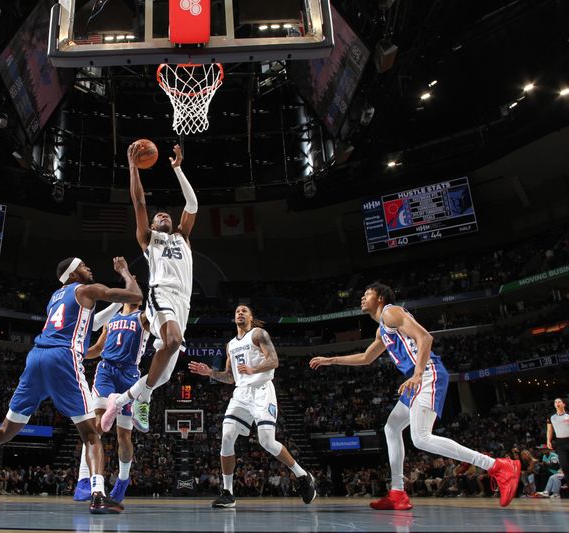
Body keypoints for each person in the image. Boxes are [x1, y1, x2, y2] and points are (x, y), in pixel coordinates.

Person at [0, 257, 141, 514]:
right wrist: (125, 272)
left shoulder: (56, 298)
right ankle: (98, 494)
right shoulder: (85, 289)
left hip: (36, 358)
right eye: (83, 266)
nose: (89, 268)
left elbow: (90, 322)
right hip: (62, 358)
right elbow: (134, 294)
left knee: (5, 430)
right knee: (91, 434)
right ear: (72, 274)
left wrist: (113, 307)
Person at [310, 282, 520, 509]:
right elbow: (366, 357)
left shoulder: (392, 312)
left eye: (367, 293)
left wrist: (418, 374)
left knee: (420, 438)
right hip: (416, 377)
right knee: (391, 428)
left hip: (427, 373)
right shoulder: (382, 329)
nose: (362, 297)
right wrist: (330, 360)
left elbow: (425, 338)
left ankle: (498, 466)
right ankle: (398, 492)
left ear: (380, 298)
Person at [101, 142, 197, 433]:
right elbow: (140, 203)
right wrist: (132, 168)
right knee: (173, 340)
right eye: (160, 217)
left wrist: (178, 169)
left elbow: (192, 205)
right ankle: (140, 397)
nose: (164, 216)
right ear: (153, 226)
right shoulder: (148, 239)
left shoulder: (183, 237)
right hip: (160, 294)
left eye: (167, 215)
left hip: (183, 303)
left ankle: (131, 397)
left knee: (165, 372)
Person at [188, 305, 316, 508]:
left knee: (267, 441)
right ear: (234, 318)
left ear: (251, 317)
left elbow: (274, 361)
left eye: (244, 311)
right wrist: (210, 373)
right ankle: (228, 493)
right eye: (237, 311)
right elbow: (230, 377)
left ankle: (302, 475)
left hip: (262, 390)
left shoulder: (258, 334)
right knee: (227, 436)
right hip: (241, 393)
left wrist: (252, 368)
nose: (240, 312)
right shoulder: (230, 345)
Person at [74, 298, 149, 503]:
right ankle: (84, 480)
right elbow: (98, 348)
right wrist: (77, 353)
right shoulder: (111, 318)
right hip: (106, 370)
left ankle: (122, 481)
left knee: (123, 436)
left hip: (129, 374)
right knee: (95, 425)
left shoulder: (143, 317)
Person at [547, 397, 569, 477]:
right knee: (564, 466)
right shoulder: (551, 417)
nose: (557, 403)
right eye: (555, 402)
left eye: (559, 402)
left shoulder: (568, 415)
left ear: (564, 404)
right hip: (560, 443)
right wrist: (548, 440)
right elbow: (549, 430)